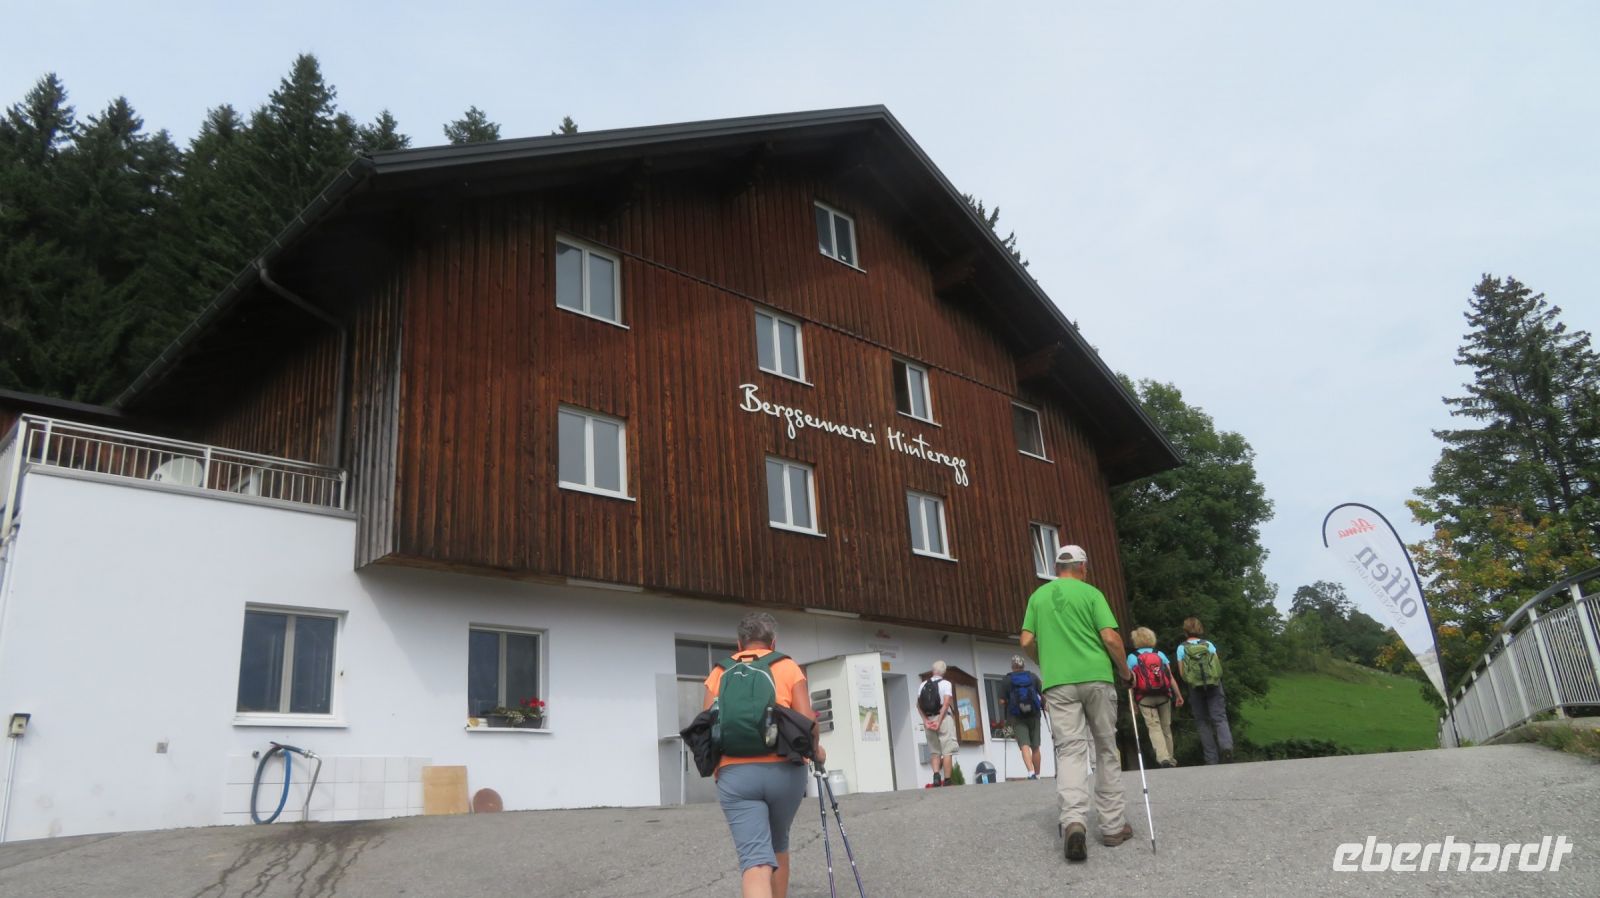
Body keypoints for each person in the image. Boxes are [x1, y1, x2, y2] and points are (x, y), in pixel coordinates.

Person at [1020, 544, 1134, 863]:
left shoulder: (1038, 597)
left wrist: (1046, 661)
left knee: (1069, 751)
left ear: (1058, 568)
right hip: (1096, 677)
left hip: (1059, 683)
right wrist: (1125, 671)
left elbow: (1026, 641)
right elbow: (1111, 638)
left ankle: (1074, 822)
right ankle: (1112, 826)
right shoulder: (1091, 593)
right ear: (1083, 567)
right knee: (1105, 749)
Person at [703, 612, 823, 898]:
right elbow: (807, 720)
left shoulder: (719, 672)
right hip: (785, 771)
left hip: (735, 774)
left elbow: (707, 724)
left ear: (739, 643)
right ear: (773, 641)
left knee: (755, 861)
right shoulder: (787, 667)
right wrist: (817, 751)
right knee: (778, 842)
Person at [1177, 616, 1234, 765]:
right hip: (1214, 685)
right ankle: (1226, 747)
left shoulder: (1182, 648)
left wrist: (1192, 681)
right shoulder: (1208, 645)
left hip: (1195, 688)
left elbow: (1182, 672)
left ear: (1185, 631)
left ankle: (1211, 759)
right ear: (1200, 629)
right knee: (1220, 718)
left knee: (1202, 722)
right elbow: (1217, 667)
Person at [1125, 627, 1182, 768]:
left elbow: (1131, 682)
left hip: (1144, 697)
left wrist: (1132, 702)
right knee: (1166, 727)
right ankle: (1171, 758)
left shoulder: (1133, 657)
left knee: (1154, 727)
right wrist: (1178, 695)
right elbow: (1170, 676)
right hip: (1163, 695)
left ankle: (1163, 758)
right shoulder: (1160, 654)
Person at [1004, 655, 1045, 779]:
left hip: (1017, 717)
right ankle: (1037, 775)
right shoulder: (1033, 677)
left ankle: (1030, 772)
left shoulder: (1007, 680)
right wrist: (1044, 706)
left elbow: (1001, 701)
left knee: (1024, 745)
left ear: (1012, 666)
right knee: (1036, 746)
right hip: (1034, 715)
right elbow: (1043, 694)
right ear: (1023, 665)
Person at [921, 660, 959, 786]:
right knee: (947, 750)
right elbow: (947, 702)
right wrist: (939, 720)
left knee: (934, 750)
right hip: (943, 719)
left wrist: (926, 721)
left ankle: (936, 777)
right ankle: (947, 780)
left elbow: (918, 705)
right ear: (944, 672)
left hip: (929, 720)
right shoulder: (946, 683)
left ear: (933, 671)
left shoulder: (923, 685)